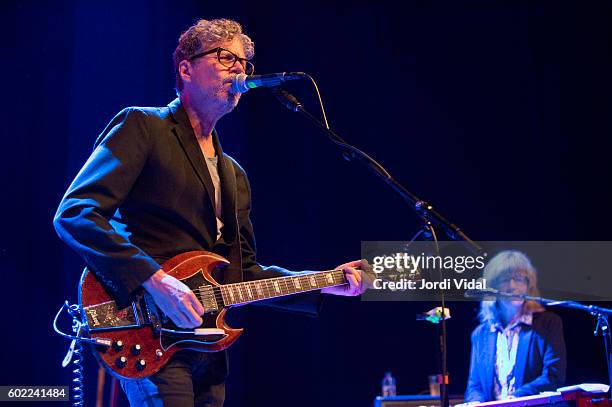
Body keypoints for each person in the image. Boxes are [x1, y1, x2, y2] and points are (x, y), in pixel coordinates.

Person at [53, 18, 366, 407]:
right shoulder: (143, 126)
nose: (239, 69)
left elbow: (241, 273)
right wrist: (154, 280)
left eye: (244, 63)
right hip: (149, 333)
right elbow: (76, 213)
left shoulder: (233, 174)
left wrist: (323, 281)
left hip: (209, 348)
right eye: (224, 57)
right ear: (185, 67)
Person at [464, 250, 566, 403]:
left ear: (528, 285)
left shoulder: (548, 324)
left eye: (519, 279)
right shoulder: (481, 334)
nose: (512, 286)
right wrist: (475, 403)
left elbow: (553, 376)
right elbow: (475, 386)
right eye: (505, 280)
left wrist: (516, 399)